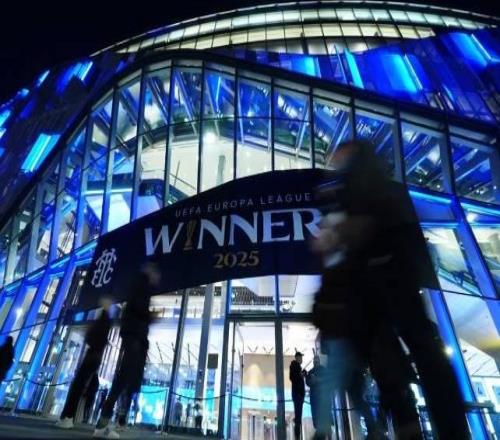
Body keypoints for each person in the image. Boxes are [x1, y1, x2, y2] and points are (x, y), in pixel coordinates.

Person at [312, 140, 470, 440]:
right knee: (406, 354)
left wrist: (339, 233)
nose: (334, 162)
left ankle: (420, 425)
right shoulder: (382, 188)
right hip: (387, 284)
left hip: (385, 282)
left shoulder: (363, 188)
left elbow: (362, 229)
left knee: (407, 353)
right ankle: (423, 425)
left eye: (339, 157)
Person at [93, 262, 160, 439]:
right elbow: (137, 308)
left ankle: (108, 421)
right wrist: (150, 316)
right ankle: (105, 421)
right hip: (134, 335)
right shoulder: (142, 286)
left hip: (135, 335)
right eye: (155, 274)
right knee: (125, 376)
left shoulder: (141, 286)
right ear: (150, 272)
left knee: (128, 377)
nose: (157, 278)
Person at [56, 298, 112, 429]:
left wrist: (90, 335)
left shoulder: (103, 322)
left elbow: (93, 338)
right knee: (77, 387)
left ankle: (68, 417)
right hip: (94, 358)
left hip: (91, 357)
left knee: (77, 387)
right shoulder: (105, 323)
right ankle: (67, 417)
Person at [306, 356, 330, 434]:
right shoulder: (311, 371)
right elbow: (308, 382)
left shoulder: (323, 370)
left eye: (316, 360)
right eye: (314, 360)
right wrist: (311, 380)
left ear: (319, 361)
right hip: (315, 397)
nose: (315, 362)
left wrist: (317, 380)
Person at [289, 351, 305, 440]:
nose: (302, 359)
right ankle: (297, 436)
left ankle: (297, 436)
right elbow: (293, 378)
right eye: (301, 357)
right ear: (297, 357)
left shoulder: (296, 366)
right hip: (298, 394)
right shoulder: (295, 365)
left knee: (298, 416)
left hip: (298, 395)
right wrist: (300, 375)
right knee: (298, 417)